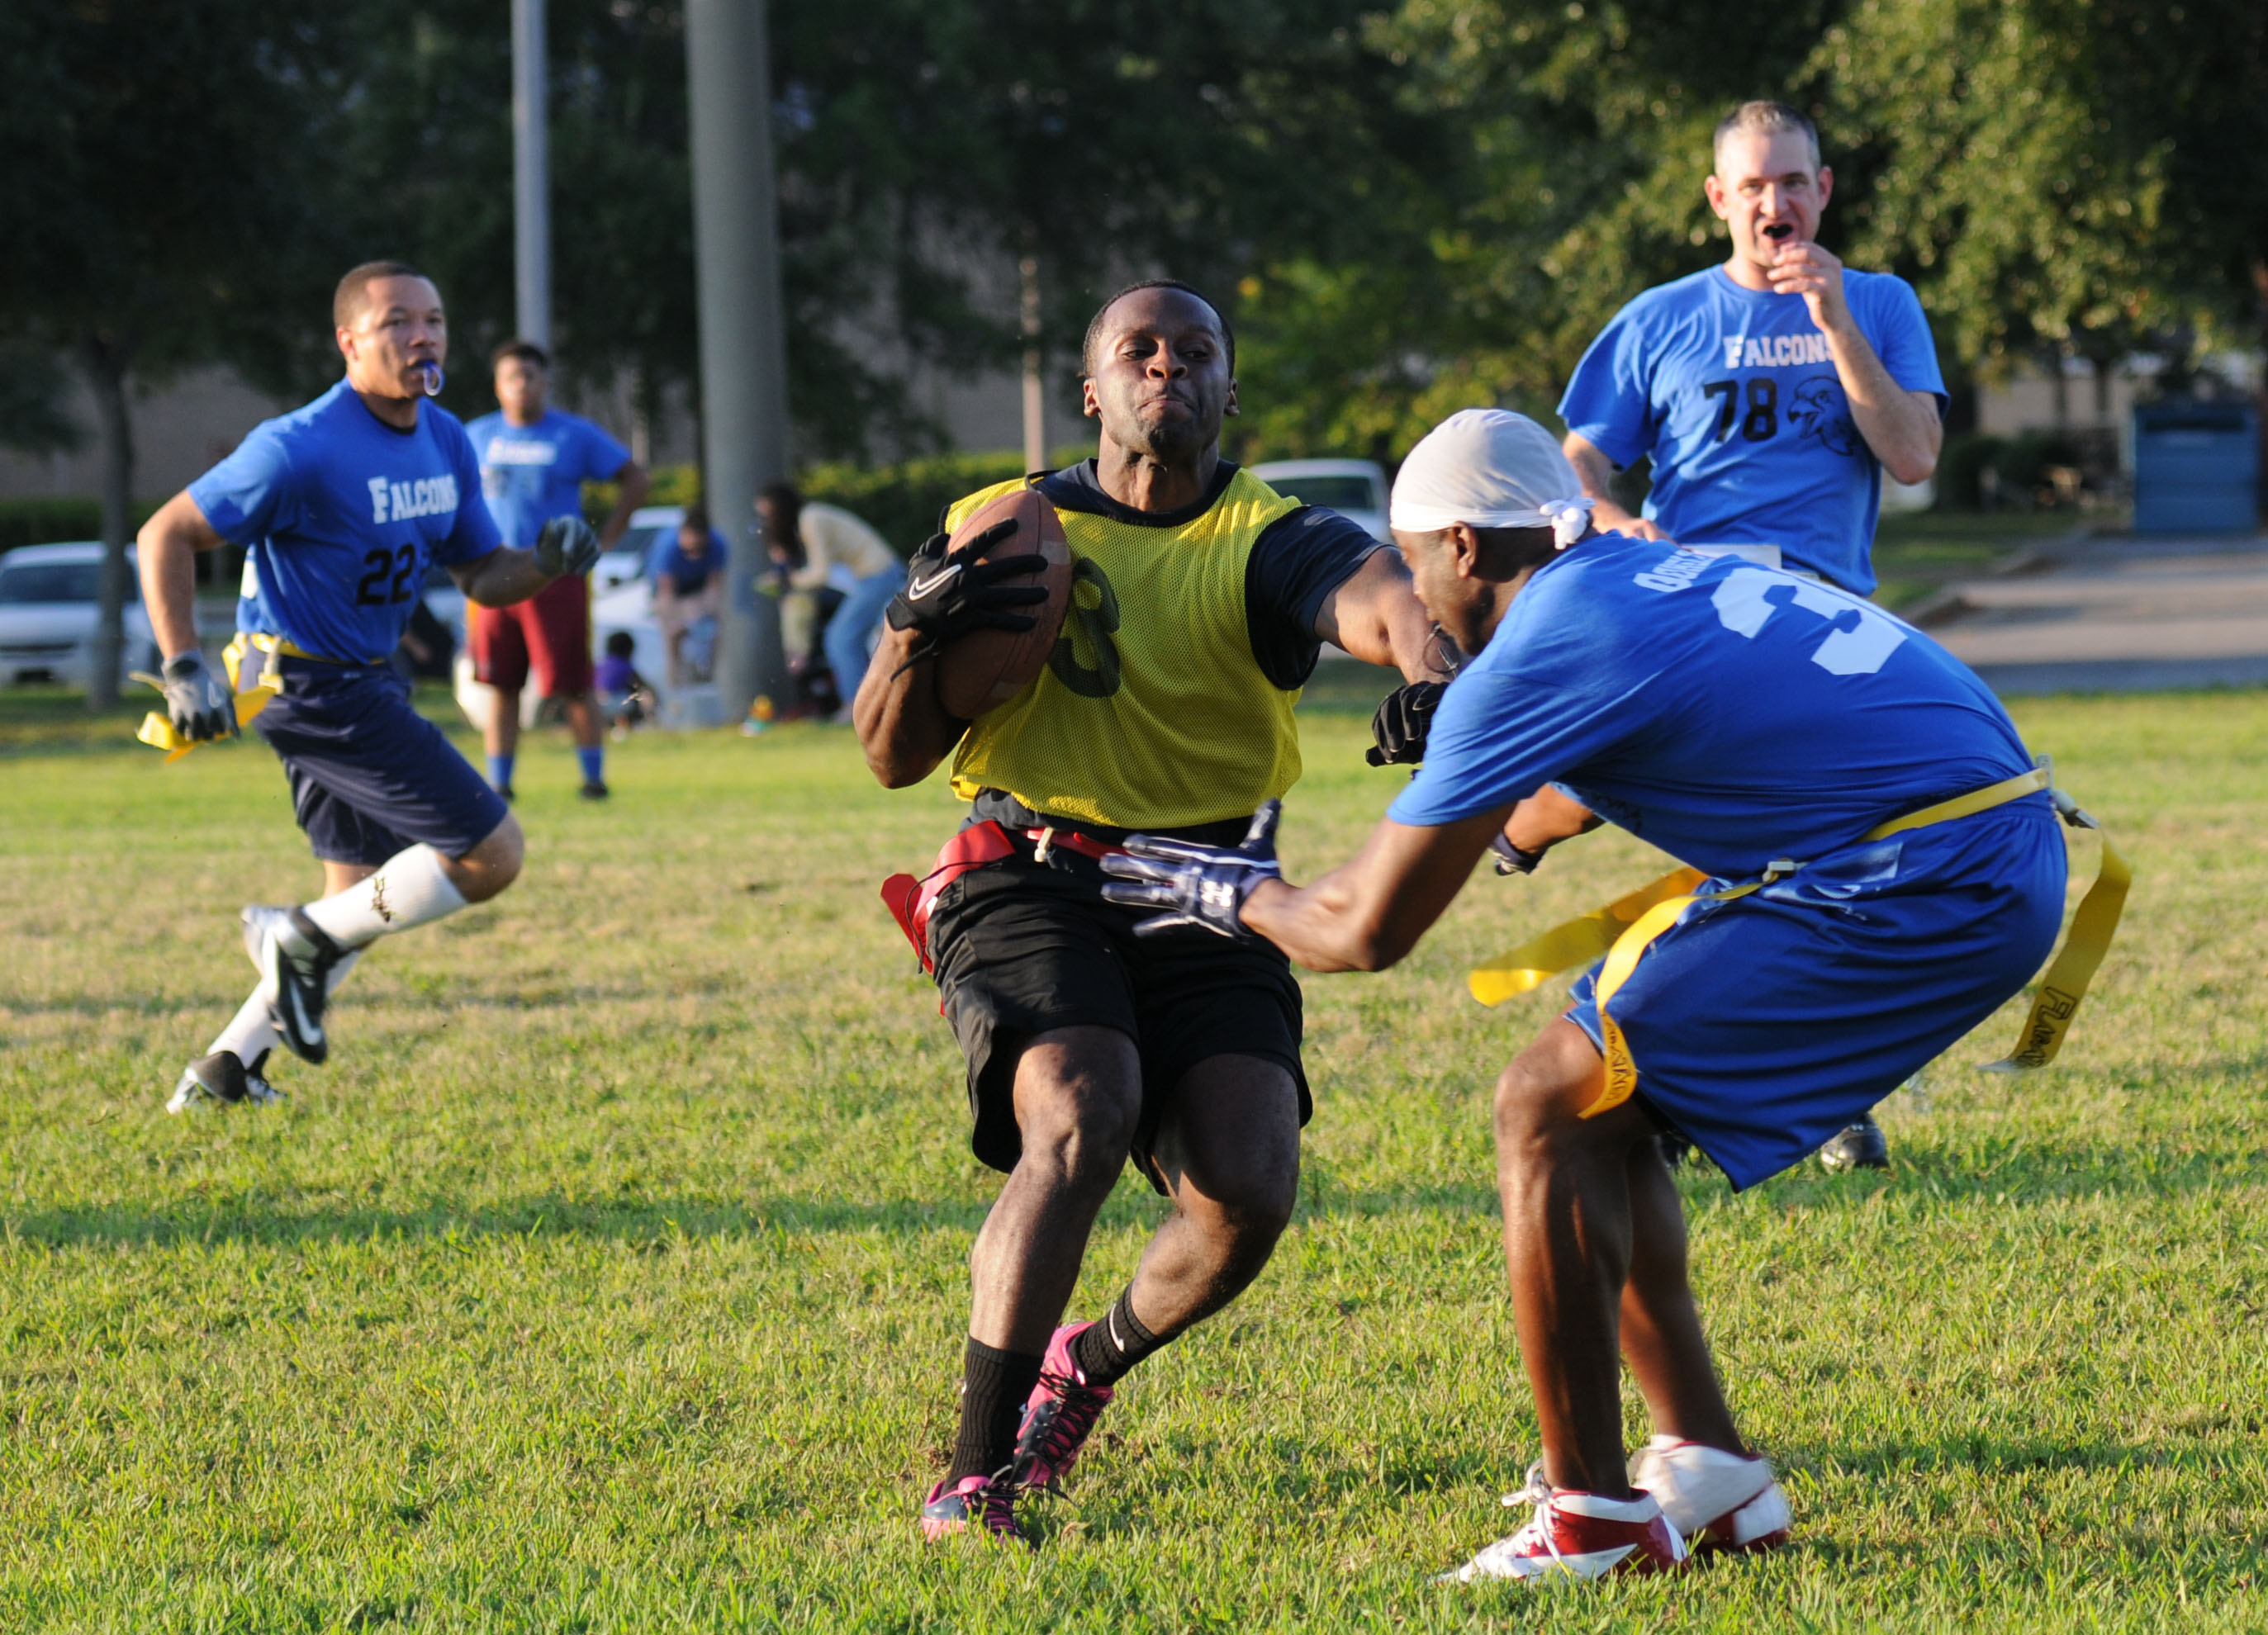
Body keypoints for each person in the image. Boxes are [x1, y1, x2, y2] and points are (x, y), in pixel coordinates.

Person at [1098, 410, 2069, 1581]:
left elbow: (1363, 929)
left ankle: (1591, 1519)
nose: (1411, 596)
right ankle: (1705, 1462)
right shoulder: (1635, 567)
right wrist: (1508, 828)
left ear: (1460, 545)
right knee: (1597, 1084)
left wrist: (1218, 887)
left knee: (1544, 1103)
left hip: (1920, 872)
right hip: (1971, 839)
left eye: (1411, 563)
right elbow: (1616, 751)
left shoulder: (1541, 638)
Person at [854, 280, 1450, 1546]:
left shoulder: (1266, 532)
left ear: (1229, 391)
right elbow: (889, 753)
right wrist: (911, 632)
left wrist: (1429, 677)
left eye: (1196, 352)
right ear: (1095, 389)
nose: (1166, 367)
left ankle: (1082, 1368)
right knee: (1080, 1111)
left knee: (1246, 1193)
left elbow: (1387, 596)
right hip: (1030, 868)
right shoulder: (1003, 526)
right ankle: (976, 1469)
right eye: (1140, 349)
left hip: (1211, 887)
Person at [1555, 100, 1950, 1173]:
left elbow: (1912, 456)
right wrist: (1609, 517)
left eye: (1793, 183)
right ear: (1717, 199)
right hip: (1694, 613)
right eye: (1753, 185)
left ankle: (1716, 1077)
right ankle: (1686, 1070)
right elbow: (1579, 459)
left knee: (1822, 856)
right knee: (1766, 852)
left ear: (1821, 192)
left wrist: (1834, 326)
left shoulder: (1875, 302)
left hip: (1827, 623)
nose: (1773, 203)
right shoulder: (1659, 318)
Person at [138, 261, 602, 1112]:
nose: (421, 335)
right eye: (395, 322)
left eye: (433, 319)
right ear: (349, 342)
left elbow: (480, 575)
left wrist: (542, 561)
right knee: (490, 855)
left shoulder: (447, 437)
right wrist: (181, 664)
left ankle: (225, 1071)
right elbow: (165, 534)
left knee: (359, 897)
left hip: (356, 673)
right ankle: (292, 939)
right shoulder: (298, 446)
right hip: (296, 679)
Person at [464, 339, 649, 801]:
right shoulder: (476, 437)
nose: (522, 385)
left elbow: (635, 478)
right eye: (513, 377)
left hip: (555, 575)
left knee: (572, 683)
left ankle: (593, 778)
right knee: (501, 684)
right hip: (493, 576)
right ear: (498, 386)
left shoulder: (572, 434)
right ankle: (500, 783)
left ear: (546, 383)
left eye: (531, 376)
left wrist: (604, 541)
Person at [757, 483, 903, 718]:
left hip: (878, 575)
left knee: (840, 639)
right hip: (873, 576)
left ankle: (855, 707)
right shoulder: (809, 517)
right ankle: (872, 703)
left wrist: (787, 581)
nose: (765, 522)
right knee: (852, 640)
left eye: (767, 515)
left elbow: (819, 573)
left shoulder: (810, 519)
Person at [649, 508, 724, 690]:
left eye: (699, 549)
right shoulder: (668, 547)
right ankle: (676, 685)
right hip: (668, 589)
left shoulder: (718, 544)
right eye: (690, 550)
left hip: (696, 588)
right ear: (683, 535)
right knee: (674, 634)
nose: (694, 556)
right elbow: (667, 593)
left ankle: (707, 680)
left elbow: (714, 588)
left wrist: (707, 619)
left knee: (715, 632)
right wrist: (676, 620)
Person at [594, 629, 654, 737]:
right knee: (637, 692)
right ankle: (630, 725)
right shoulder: (626, 665)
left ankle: (610, 728)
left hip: (597, 704)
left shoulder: (600, 664)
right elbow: (644, 685)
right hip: (619, 705)